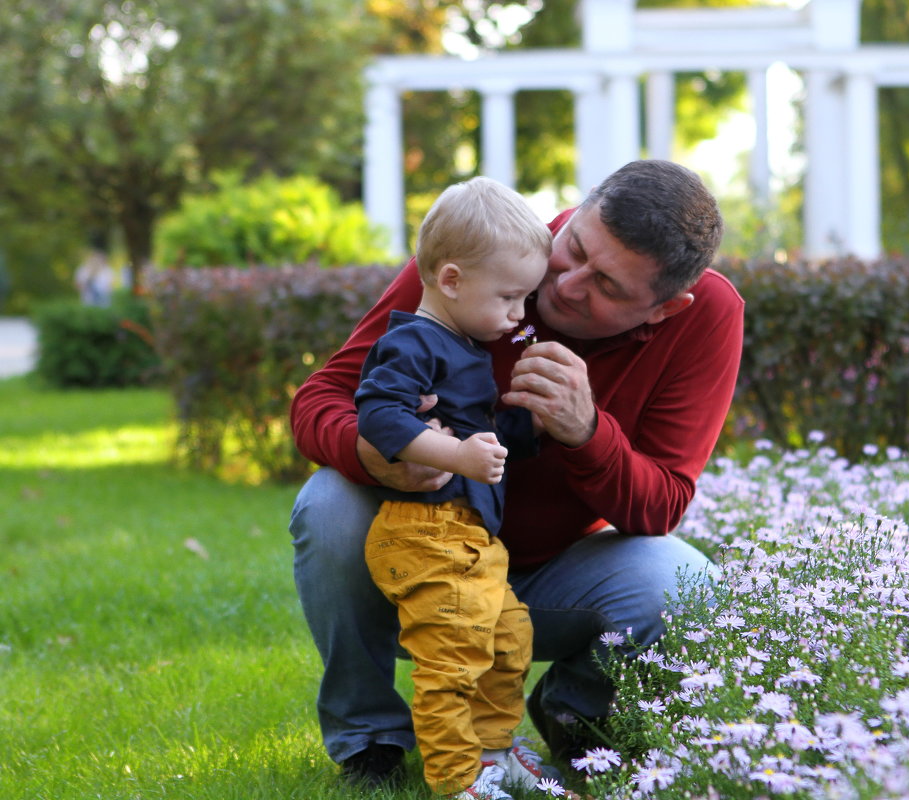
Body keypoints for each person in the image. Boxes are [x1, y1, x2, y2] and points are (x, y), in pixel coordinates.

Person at [289, 159, 744, 790]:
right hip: (422, 547)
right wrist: (374, 455)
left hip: (544, 571)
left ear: (665, 309)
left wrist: (587, 431)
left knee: (690, 585)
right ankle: (370, 742)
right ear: (576, 213)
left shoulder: (706, 319)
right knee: (329, 503)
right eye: (575, 247)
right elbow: (319, 400)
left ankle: (573, 715)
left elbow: (662, 506)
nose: (569, 285)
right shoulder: (490, 249)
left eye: (609, 287)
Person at [355, 176, 550, 799]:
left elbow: (485, 438)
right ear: (452, 279)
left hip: (472, 538)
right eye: (511, 297)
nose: (520, 313)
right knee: (452, 658)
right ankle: (457, 779)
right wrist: (456, 454)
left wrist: (522, 421)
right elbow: (380, 416)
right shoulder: (412, 340)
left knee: (508, 637)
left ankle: (494, 753)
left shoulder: (466, 344)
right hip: (424, 532)